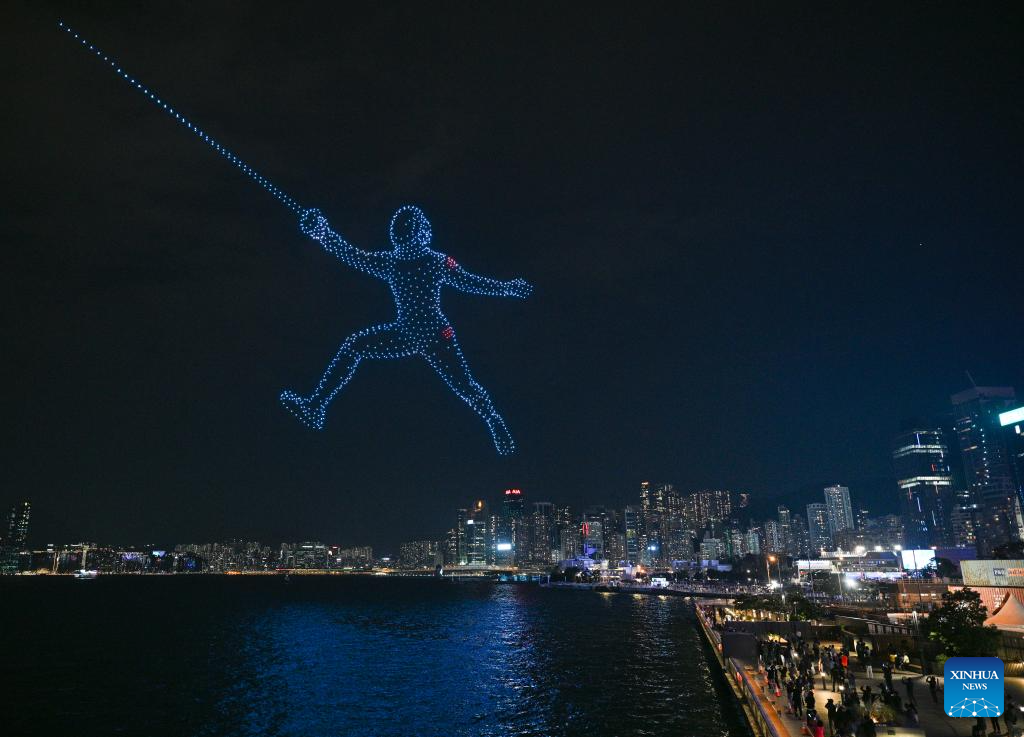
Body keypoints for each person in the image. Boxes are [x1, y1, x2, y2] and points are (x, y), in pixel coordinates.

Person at [281, 205, 532, 455]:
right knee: (463, 384)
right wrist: (322, 232)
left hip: (423, 334)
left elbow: (351, 255)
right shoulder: (425, 261)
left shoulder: (406, 262)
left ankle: (316, 406)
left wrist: (322, 233)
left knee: (463, 384)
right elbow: (468, 282)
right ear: (421, 233)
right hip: (425, 334)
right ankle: (315, 406)